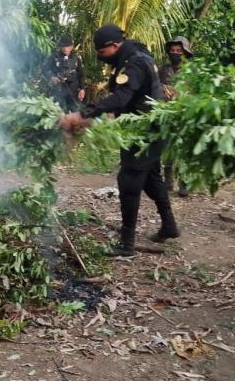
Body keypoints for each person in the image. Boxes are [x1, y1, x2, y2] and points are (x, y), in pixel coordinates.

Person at [58, 24, 179, 256]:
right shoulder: (133, 54)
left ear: (113, 46)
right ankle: (170, 226)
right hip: (150, 129)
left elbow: (122, 96)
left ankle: (127, 245)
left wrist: (83, 115)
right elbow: (127, 99)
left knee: (129, 182)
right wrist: (97, 118)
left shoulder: (134, 63)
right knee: (152, 179)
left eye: (102, 53)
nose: (100, 58)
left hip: (144, 131)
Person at [159, 36, 193, 197]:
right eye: (172, 50)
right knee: (168, 147)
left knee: (185, 150)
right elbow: (156, 85)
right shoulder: (163, 69)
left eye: (179, 51)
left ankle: (184, 182)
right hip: (166, 113)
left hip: (185, 113)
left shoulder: (191, 70)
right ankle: (168, 180)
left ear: (185, 53)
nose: (175, 53)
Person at [43, 36, 85, 112]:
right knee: (56, 112)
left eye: (68, 46)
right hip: (58, 89)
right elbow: (45, 69)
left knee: (73, 112)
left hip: (73, 90)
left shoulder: (76, 58)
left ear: (72, 47)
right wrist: (51, 77)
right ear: (60, 46)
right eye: (63, 46)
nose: (65, 48)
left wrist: (82, 89)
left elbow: (81, 74)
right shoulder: (54, 57)